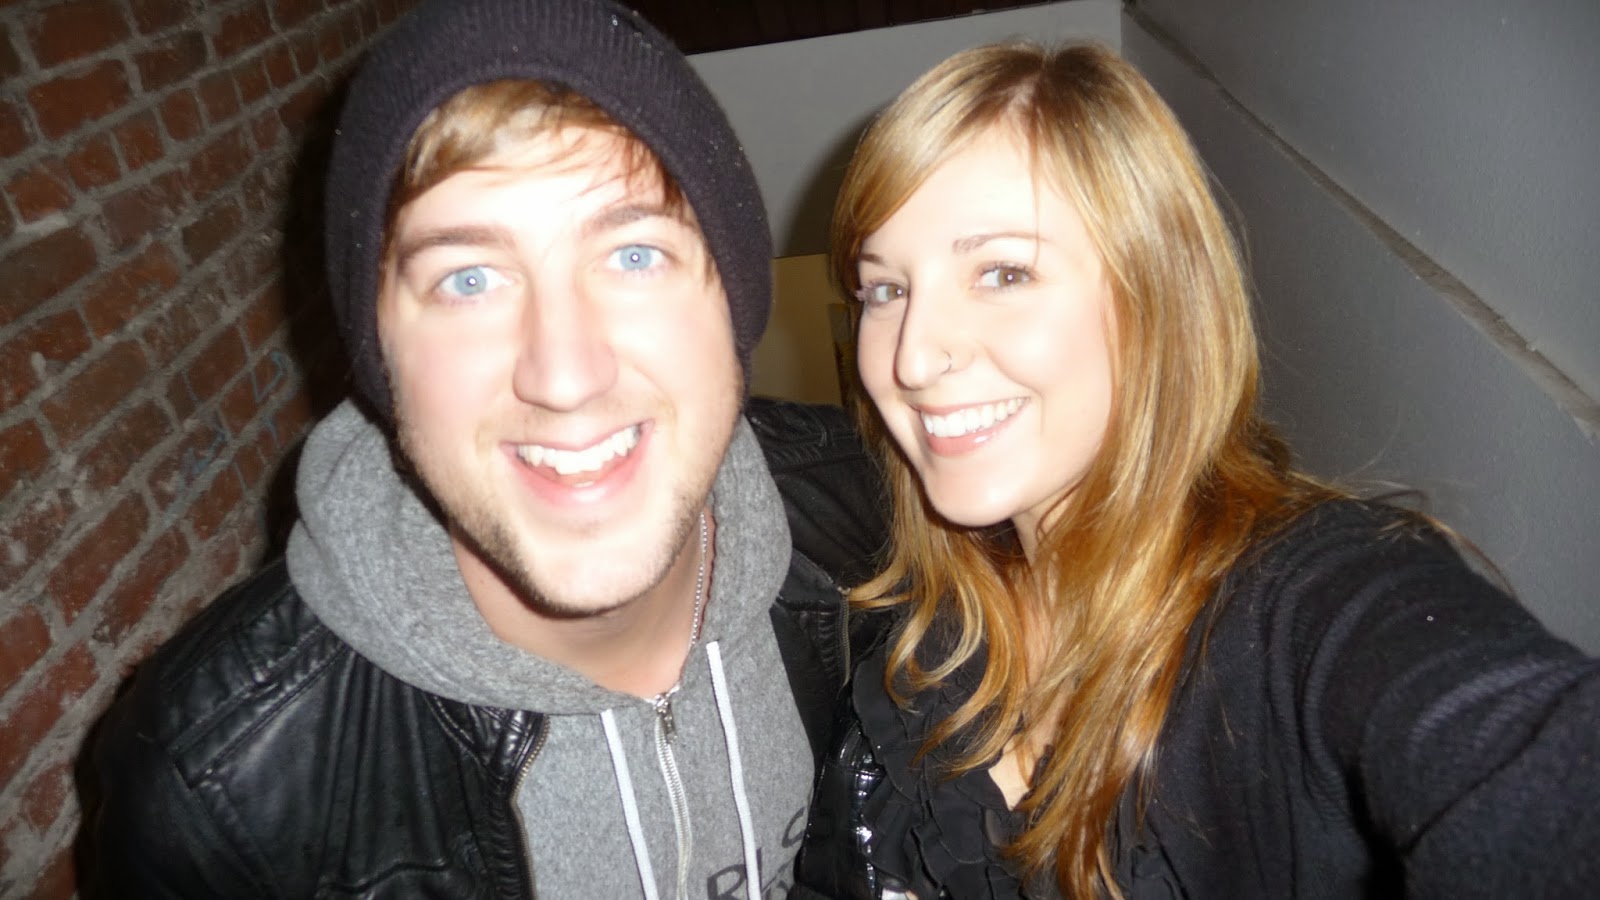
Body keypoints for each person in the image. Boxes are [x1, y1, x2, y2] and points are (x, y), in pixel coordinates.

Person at [84, 0, 888, 896]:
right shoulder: (217, 791)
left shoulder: (881, 515)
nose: (565, 375)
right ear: (380, 359)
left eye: (634, 256)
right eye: (468, 280)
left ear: (733, 306)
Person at [792, 41, 1600, 900]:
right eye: (885, 290)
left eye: (1002, 272)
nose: (912, 358)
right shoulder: (928, 633)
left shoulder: (1298, 605)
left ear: (1158, 300)